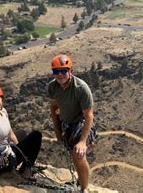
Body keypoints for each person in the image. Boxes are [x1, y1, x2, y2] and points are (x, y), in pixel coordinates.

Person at [48, 54, 97, 193]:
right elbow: (54, 108)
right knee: (74, 156)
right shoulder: (53, 87)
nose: (60, 75)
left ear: (71, 71)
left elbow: (89, 117)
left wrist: (83, 141)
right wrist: (57, 131)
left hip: (81, 122)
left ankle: (85, 188)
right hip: (67, 123)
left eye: (63, 71)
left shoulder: (81, 88)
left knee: (78, 154)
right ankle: (81, 180)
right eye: (56, 71)